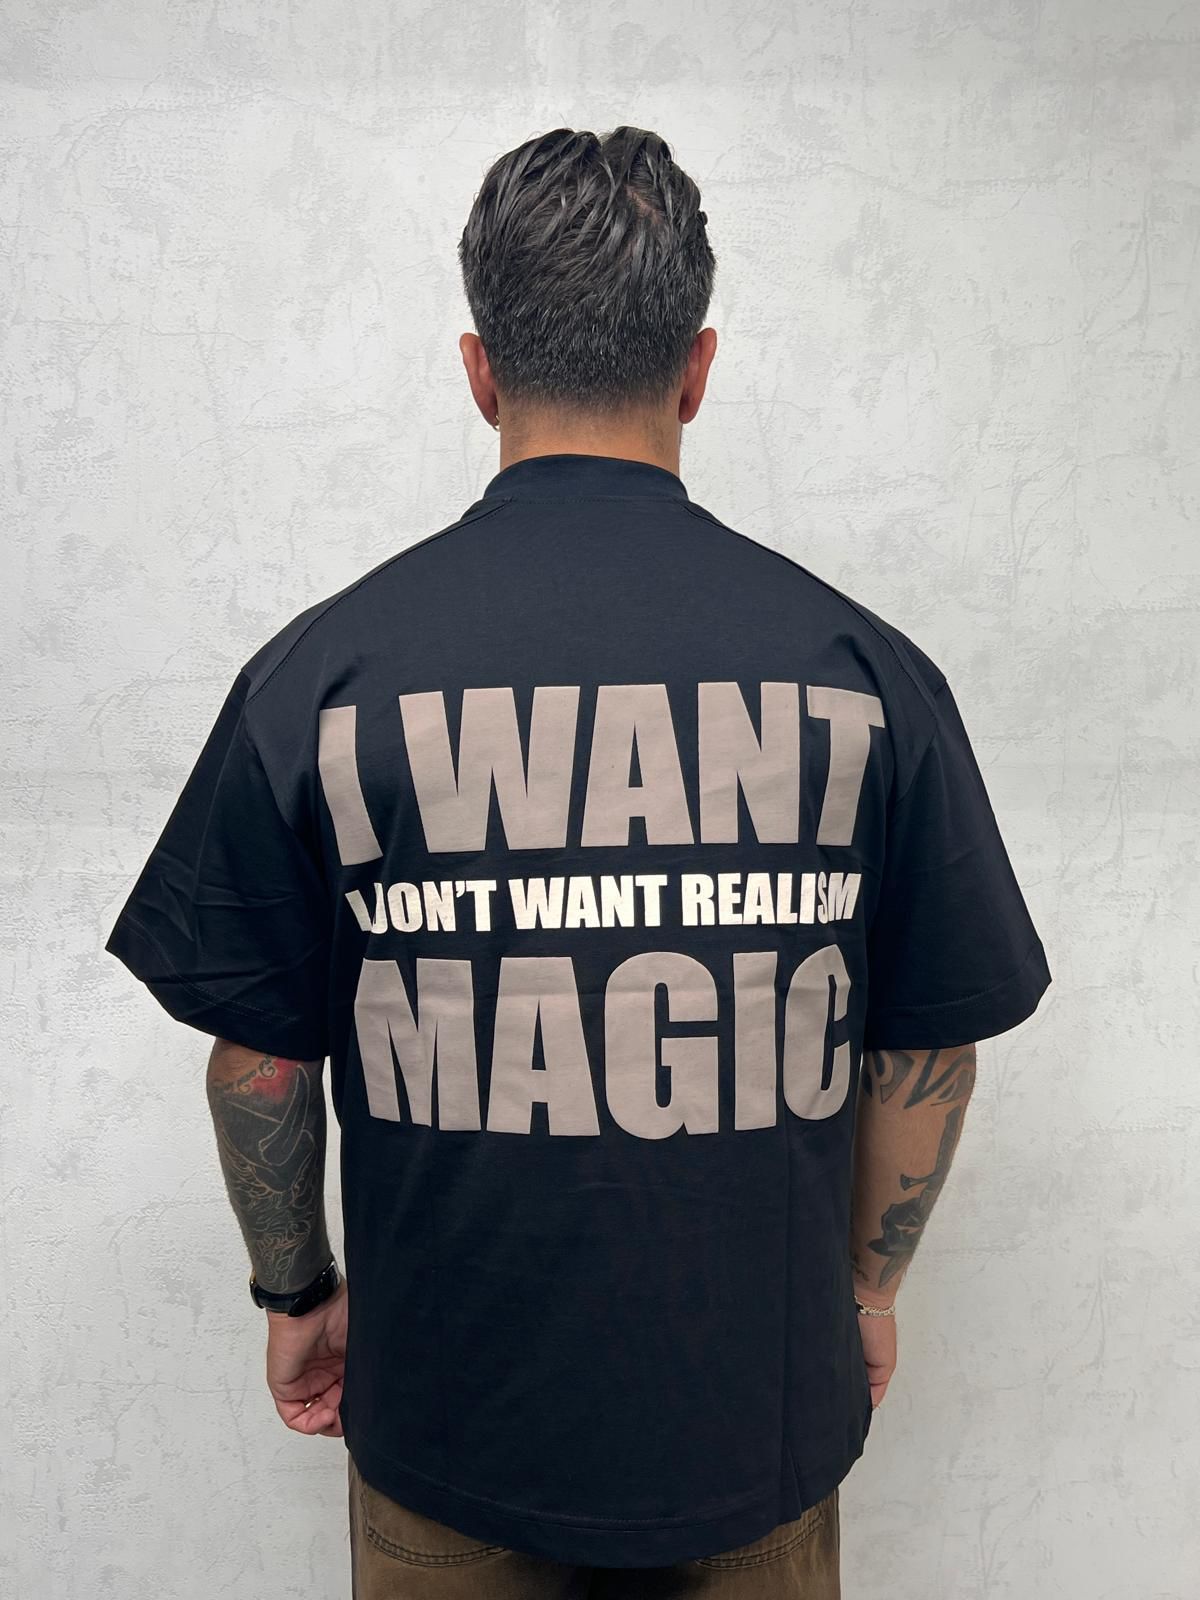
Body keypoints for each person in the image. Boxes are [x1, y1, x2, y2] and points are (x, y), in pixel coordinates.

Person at [104, 125, 1052, 1599]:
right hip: (754, 1431)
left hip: (448, 1437)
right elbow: (928, 1049)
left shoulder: (323, 676)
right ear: (697, 369)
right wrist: (868, 1290)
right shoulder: (866, 674)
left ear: (480, 371)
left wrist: (294, 1292)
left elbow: (262, 1062)